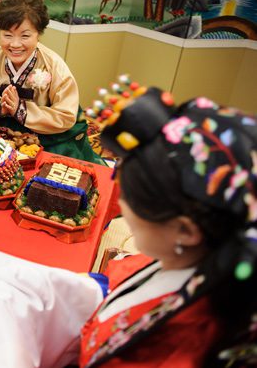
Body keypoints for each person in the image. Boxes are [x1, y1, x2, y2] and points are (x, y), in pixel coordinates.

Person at [79, 86, 257, 366]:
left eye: (128, 198)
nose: (121, 205)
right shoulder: (190, 259)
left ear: (185, 231)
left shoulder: (184, 347)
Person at [0, 0, 103, 163]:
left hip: (42, 130)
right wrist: (1, 106)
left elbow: (65, 116)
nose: (15, 44)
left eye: (25, 36)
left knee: (57, 162)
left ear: (38, 34)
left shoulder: (54, 65)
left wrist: (20, 109)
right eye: (7, 35)